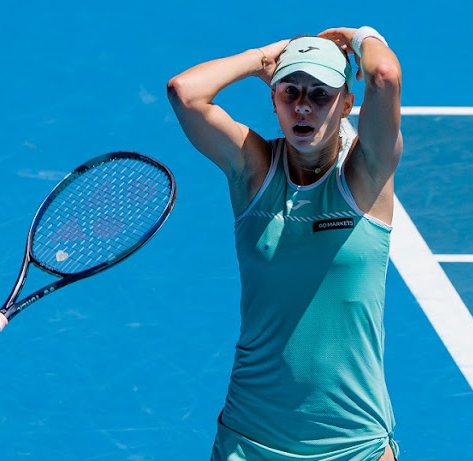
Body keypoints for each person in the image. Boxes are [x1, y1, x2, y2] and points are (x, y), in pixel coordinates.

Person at [167, 25, 402, 461]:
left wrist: (361, 34)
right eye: (290, 92)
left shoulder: (365, 175)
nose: (303, 106)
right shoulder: (253, 169)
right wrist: (261, 57)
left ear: (347, 104)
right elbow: (185, 92)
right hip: (251, 439)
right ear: (273, 100)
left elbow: (384, 74)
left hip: (355, 445)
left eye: (320, 94)